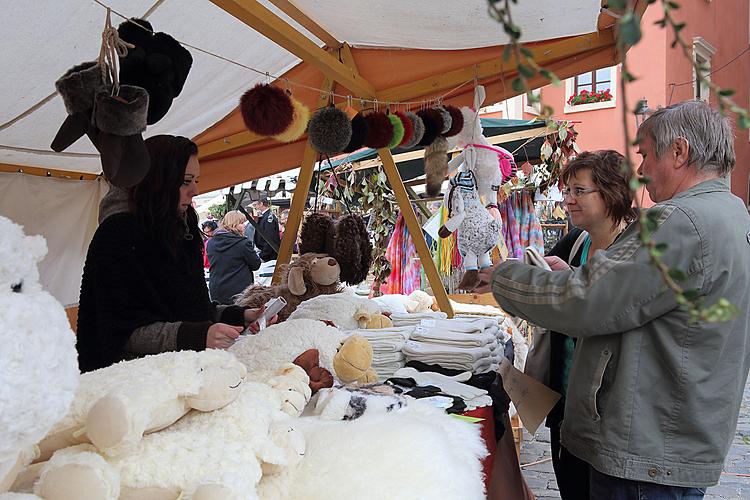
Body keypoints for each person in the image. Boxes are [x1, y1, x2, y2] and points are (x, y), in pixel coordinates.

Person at [476, 100, 750, 499]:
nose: (641, 171)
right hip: (671, 439)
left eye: (646, 155)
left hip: (645, 449)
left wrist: (504, 277)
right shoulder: (730, 212)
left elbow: (587, 300)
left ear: (679, 152)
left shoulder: (680, 222)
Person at [76, 135, 272, 373]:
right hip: (134, 384)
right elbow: (118, 331)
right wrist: (198, 335)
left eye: (196, 180)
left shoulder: (180, 228)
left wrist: (239, 316)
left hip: (186, 373)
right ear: (157, 181)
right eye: (185, 181)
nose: (195, 190)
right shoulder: (118, 235)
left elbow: (191, 308)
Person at [541, 150, 636, 500]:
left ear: (611, 193)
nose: (567, 200)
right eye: (567, 190)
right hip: (564, 401)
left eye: (579, 191)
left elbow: (614, 315)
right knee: (571, 488)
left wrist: (573, 283)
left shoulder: (635, 249)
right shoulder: (577, 241)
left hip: (607, 414)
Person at [206, 210, 261, 304]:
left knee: (222, 317)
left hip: (217, 289)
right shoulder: (242, 243)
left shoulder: (211, 242)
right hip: (239, 291)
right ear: (234, 224)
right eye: (241, 223)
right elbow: (256, 265)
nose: (244, 226)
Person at [252, 197, 280, 262]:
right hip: (266, 253)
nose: (255, 207)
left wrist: (263, 255)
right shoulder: (265, 216)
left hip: (269, 256)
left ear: (261, 204)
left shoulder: (269, 217)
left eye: (255, 205)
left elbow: (270, 238)